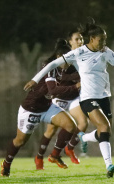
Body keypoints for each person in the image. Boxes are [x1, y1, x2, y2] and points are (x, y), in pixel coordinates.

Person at [23, 17, 114, 178]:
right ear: (92, 39)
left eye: (105, 39)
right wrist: (35, 79)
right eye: (101, 39)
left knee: (105, 132)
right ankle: (109, 165)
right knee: (104, 127)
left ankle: (83, 138)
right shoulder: (79, 53)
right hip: (87, 98)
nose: (104, 42)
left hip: (104, 96)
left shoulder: (106, 52)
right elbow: (52, 64)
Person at [1, 39, 77, 177]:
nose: (71, 61)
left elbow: (80, 75)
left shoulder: (66, 67)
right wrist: (76, 86)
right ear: (59, 57)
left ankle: (54, 155)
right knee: (20, 141)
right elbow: (53, 91)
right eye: (69, 58)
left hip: (48, 107)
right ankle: (6, 164)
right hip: (32, 108)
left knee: (71, 126)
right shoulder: (50, 67)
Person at [34, 30, 88, 170]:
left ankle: (63, 151)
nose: (80, 41)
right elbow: (62, 78)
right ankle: (39, 157)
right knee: (51, 130)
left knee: (82, 123)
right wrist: (77, 81)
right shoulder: (59, 59)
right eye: (77, 39)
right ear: (70, 42)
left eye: (81, 39)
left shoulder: (83, 56)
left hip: (74, 96)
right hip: (59, 97)